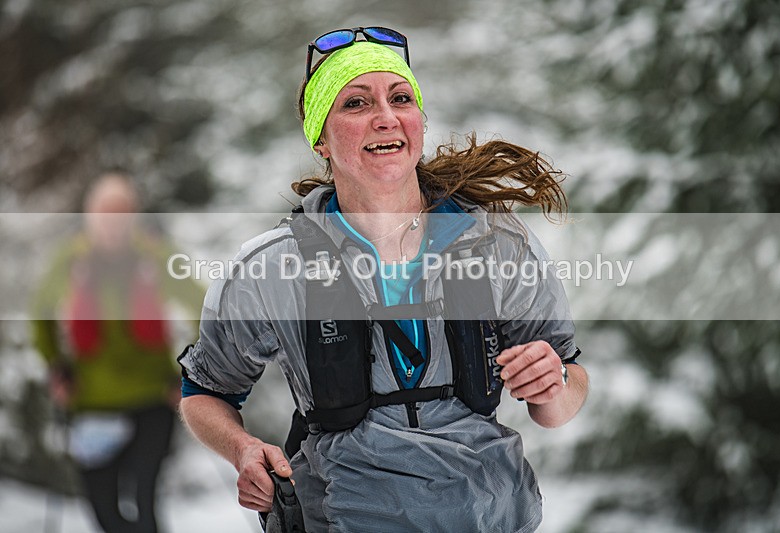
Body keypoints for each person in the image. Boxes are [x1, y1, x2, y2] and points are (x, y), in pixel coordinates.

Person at [179, 27, 589, 532]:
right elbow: (204, 390)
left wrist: (554, 383)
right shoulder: (269, 268)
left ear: (419, 121)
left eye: (401, 98)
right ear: (321, 141)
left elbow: (562, 400)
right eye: (355, 104)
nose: (386, 116)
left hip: (491, 517)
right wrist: (242, 449)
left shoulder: (497, 244)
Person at [31, 172, 206, 533]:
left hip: (152, 396)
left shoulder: (155, 256)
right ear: (89, 216)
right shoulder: (72, 259)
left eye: (122, 212)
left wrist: (192, 372)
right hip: (92, 401)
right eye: (104, 213)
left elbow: (203, 308)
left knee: (145, 506)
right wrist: (56, 367)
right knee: (105, 514)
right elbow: (40, 311)